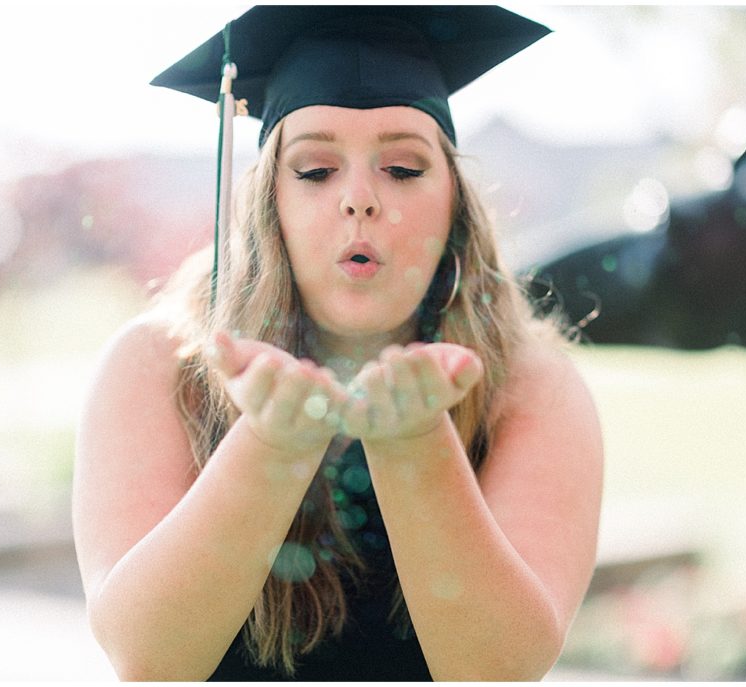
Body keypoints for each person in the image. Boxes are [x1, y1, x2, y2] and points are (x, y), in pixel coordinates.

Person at [73, 5, 603, 681]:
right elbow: (149, 659)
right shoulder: (155, 365)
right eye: (316, 170)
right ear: (268, 202)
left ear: (456, 203)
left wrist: (413, 443)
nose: (359, 198)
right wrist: (273, 443)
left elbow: (498, 669)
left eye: (404, 168)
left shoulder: (530, 386)